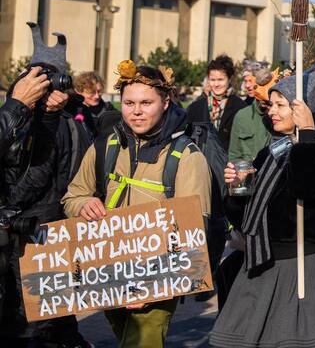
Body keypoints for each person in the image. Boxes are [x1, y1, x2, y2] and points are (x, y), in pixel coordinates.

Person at [62, 61, 212, 348]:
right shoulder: (106, 145)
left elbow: (195, 233)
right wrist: (83, 205)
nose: (136, 111)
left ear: (166, 102)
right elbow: (73, 196)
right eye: (129, 103)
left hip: (158, 283)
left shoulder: (187, 156)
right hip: (108, 274)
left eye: (146, 102)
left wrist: (153, 285)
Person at [210, 58, 315, 348]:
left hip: (304, 264)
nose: (270, 111)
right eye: (270, 104)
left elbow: (306, 188)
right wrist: (236, 188)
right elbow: (243, 213)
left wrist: (307, 136)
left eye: (279, 105)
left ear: (301, 111)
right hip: (264, 261)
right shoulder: (270, 150)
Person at [0, 24, 90, 347]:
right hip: (22, 237)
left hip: (50, 236)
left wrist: (49, 118)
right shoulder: (18, 123)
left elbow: (68, 177)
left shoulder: (73, 125)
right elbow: (20, 184)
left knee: (49, 323)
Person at [186, 54, 246, 150]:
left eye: (221, 80)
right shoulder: (196, 107)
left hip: (227, 162)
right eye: (212, 80)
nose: (216, 84)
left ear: (229, 79)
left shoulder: (240, 107)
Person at [228, 67, 276, 164]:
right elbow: (234, 155)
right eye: (245, 81)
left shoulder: (280, 116)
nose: (247, 85)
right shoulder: (242, 116)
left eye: (251, 80)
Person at [67, 70, 120, 139]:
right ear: (78, 91)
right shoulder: (72, 112)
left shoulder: (109, 110)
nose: (97, 96)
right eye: (91, 92)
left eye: (99, 91)